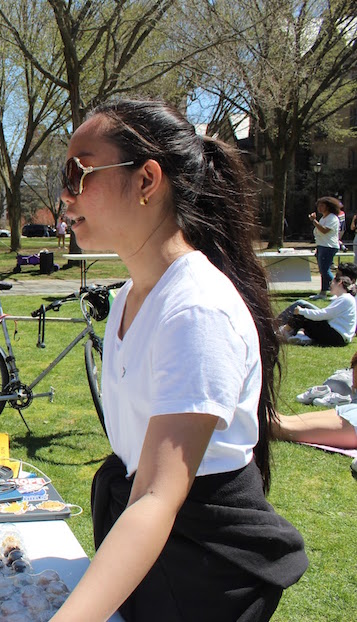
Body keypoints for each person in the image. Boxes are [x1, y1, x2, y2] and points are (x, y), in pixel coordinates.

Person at [50, 100, 307, 622]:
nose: (65, 194)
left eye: (79, 172)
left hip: (200, 571)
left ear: (147, 180)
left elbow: (155, 498)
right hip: (147, 550)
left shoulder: (196, 309)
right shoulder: (128, 297)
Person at [277, 274, 356, 346]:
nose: (330, 286)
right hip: (339, 337)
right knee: (305, 314)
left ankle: (283, 332)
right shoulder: (346, 298)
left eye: (331, 283)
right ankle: (299, 336)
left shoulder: (345, 299)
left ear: (340, 283)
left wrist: (301, 311)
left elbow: (324, 314)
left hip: (336, 337)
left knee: (302, 315)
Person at [309, 196, 342, 300]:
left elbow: (324, 230)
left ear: (328, 207)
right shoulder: (323, 218)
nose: (319, 207)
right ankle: (323, 293)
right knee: (323, 271)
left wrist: (314, 221)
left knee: (325, 271)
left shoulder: (332, 218)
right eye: (319, 205)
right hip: (321, 246)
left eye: (322, 205)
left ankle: (341, 291)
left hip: (329, 247)